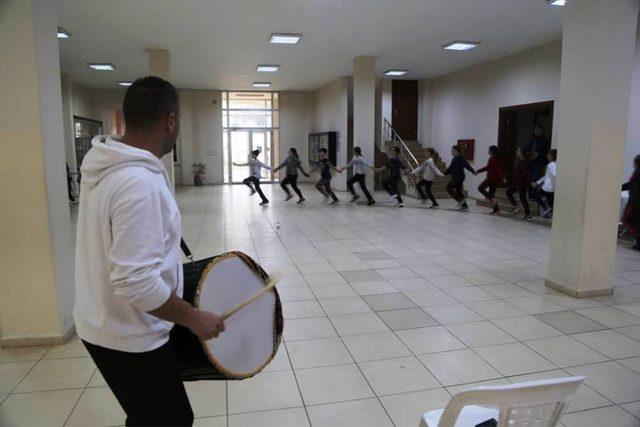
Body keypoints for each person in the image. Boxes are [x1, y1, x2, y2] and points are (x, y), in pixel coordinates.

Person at [74, 76, 225, 427]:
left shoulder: (105, 165)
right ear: (170, 120)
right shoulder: (137, 183)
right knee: (171, 420)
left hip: (102, 319)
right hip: (127, 333)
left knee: (148, 417)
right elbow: (135, 280)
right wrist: (194, 318)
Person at [444, 145, 476, 210]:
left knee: (449, 188)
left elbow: (467, 165)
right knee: (459, 191)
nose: (451, 152)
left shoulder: (461, 158)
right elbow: (451, 168)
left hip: (459, 178)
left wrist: (473, 171)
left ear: (456, 151)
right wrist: (444, 173)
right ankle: (464, 206)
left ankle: (460, 201)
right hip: (455, 177)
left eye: (452, 151)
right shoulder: (454, 159)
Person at [505, 147, 533, 220]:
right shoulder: (521, 161)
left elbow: (525, 174)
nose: (517, 152)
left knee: (509, 192)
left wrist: (528, 183)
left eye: (518, 151)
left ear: (521, 153)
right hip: (519, 183)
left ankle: (516, 206)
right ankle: (528, 215)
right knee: (523, 199)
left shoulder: (523, 162)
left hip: (520, 184)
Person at [476, 145, 504, 215]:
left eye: (489, 150)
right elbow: (488, 167)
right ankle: (496, 211)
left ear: (491, 151)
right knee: (492, 195)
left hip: (491, 179)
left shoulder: (493, 158)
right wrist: (478, 171)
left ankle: (491, 199)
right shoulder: (493, 158)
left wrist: (502, 178)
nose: (488, 151)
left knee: (480, 188)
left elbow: (498, 170)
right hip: (494, 179)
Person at [531, 149, 557, 219]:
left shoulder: (551, 165)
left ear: (551, 156)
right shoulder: (554, 164)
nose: (547, 156)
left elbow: (555, 175)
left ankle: (546, 208)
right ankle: (548, 211)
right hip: (549, 188)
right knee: (550, 203)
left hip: (548, 188)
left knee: (534, 194)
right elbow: (546, 176)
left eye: (548, 154)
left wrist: (555, 187)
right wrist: (537, 183)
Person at [622, 154, 640, 251]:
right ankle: (638, 243)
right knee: (635, 222)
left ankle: (639, 243)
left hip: (635, 202)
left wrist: (618, 187)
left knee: (628, 220)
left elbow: (631, 185)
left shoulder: (637, 173)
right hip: (636, 201)